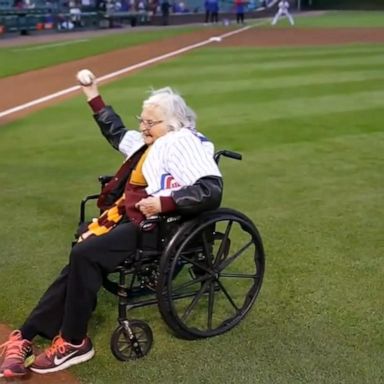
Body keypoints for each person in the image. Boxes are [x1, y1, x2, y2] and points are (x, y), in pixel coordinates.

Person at [0, 70, 223, 378]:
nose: (142, 127)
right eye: (142, 120)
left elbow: (210, 189)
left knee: (84, 254)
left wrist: (164, 202)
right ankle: (26, 334)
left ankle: (75, 342)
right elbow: (117, 132)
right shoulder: (152, 143)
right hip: (138, 219)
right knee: (82, 256)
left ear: (171, 124)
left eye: (149, 122)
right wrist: (93, 93)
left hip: (160, 226)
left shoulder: (181, 142)